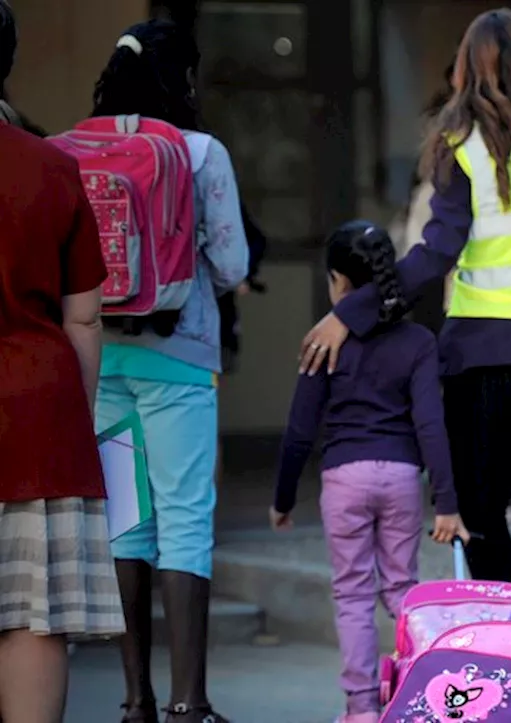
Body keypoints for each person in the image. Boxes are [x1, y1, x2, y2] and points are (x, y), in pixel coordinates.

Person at [298, 8, 511, 648]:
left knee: (478, 511)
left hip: (480, 356)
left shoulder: (463, 143)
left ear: (468, 74)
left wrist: (351, 311)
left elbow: (434, 253)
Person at [89, 19, 249, 723]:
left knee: (127, 518)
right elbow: (234, 263)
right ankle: (190, 701)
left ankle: (136, 700)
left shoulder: (78, 148)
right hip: (180, 358)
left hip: (103, 358)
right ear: (181, 78)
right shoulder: (201, 152)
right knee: (185, 516)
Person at [271, 221, 464, 723]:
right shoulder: (419, 340)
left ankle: (361, 708)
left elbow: (298, 429)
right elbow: (430, 425)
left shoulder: (323, 339)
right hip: (401, 477)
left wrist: (283, 498)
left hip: (344, 478)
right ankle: (420, 696)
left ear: (337, 279)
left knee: (353, 591)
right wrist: (446, 502)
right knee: (403, 590)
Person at [0, 5, 125, 721]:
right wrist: (72, 420)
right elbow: (83, 315)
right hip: (39, 415)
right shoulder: (51, 166)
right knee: (33, 613)